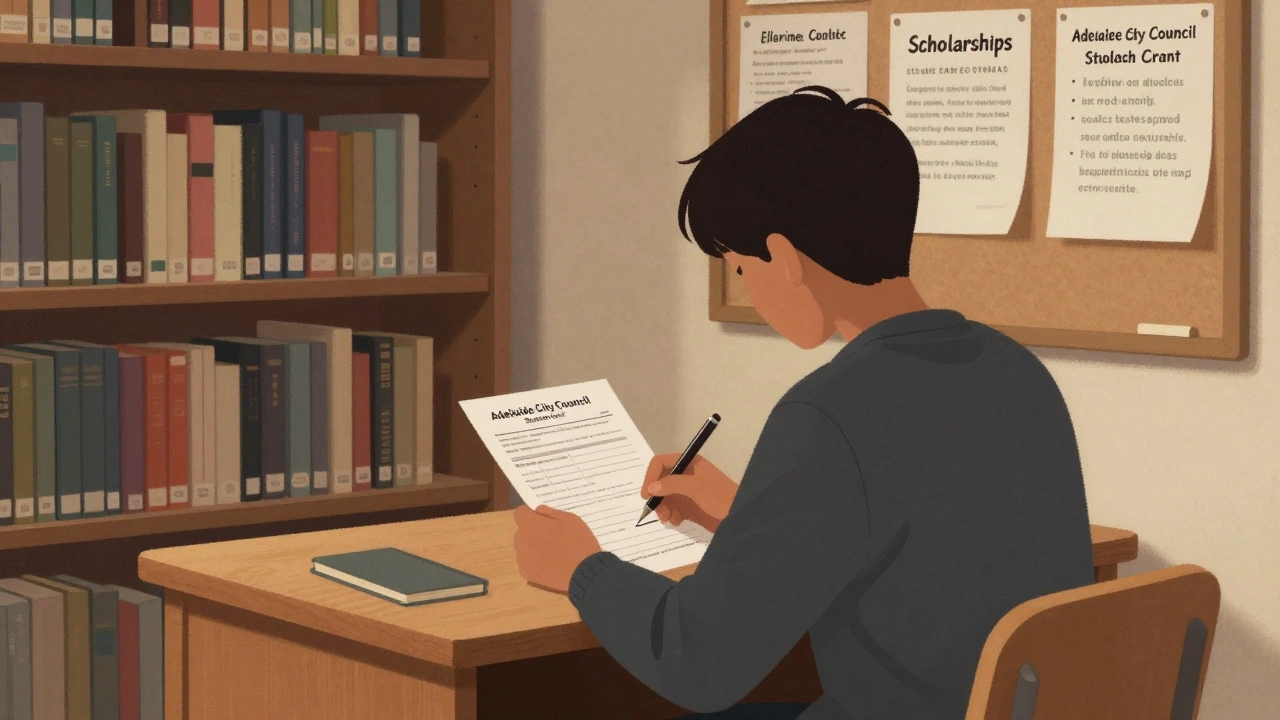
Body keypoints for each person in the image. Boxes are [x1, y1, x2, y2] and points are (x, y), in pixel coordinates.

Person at [512, 86, 1096, 720]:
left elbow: (698, 662)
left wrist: (582, 569)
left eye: (740, 268)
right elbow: (925, 545)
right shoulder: (1015, 371)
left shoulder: (830, 413)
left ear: (784, 259)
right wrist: (743, 510)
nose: (748, 293)